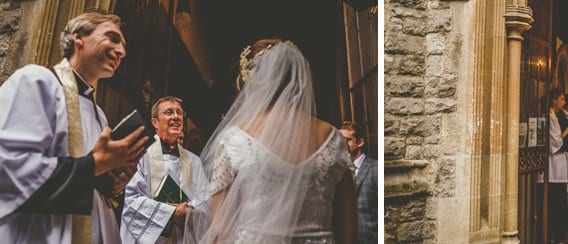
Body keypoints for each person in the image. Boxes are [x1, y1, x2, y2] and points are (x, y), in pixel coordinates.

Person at [183, 38, 356, 243]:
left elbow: (220, 230)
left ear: (250, 82)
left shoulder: (236, 139)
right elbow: (349, 230)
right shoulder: (332, 138)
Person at [0, 11, 149, 243]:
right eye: (112, 38)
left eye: (123, 45)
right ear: (79, 37)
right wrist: (95, 165)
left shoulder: (98, 113)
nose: (122, 51)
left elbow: (89, 175)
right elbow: (7, 168)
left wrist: (111, 181)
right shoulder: (37, 81)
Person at [120, 96, 207, 243]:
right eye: (169, 112)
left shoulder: (194, 161)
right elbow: (131, 199)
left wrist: (189, 211)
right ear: (155, 122)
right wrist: (171, 213)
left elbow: (206, 200)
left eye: (179, 113)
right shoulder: (141, 153)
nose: (176, 117)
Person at [338, 121, 377, 244]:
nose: (341, 145)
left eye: (346, 140)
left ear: (360, 142)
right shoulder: (335, 172)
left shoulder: (376, 169)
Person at [547, 89, 568, 243]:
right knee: (556, 201)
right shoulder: (551, 117)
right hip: (554, 166)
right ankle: (555, 235)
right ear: (554, 99)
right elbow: (556, 143)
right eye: (562, 99)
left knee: (561, 199)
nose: (564, 102)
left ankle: (559, 233)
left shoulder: (556, 115)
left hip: (560, 163)